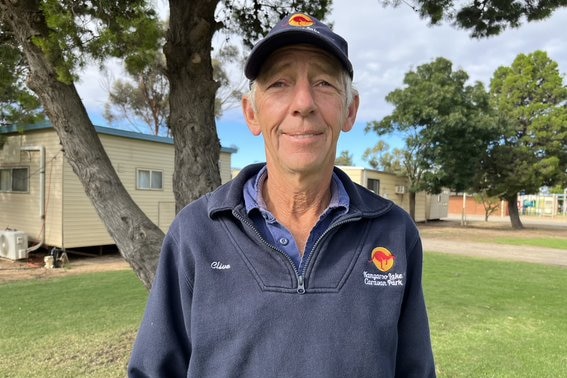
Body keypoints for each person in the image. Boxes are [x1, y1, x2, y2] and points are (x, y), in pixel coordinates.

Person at [128, 12, 436, 377]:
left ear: (350, 111)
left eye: (323, 83)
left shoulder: (395, 233)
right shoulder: (195, 233)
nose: (303, 103)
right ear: (251, 114)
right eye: (279, 84)